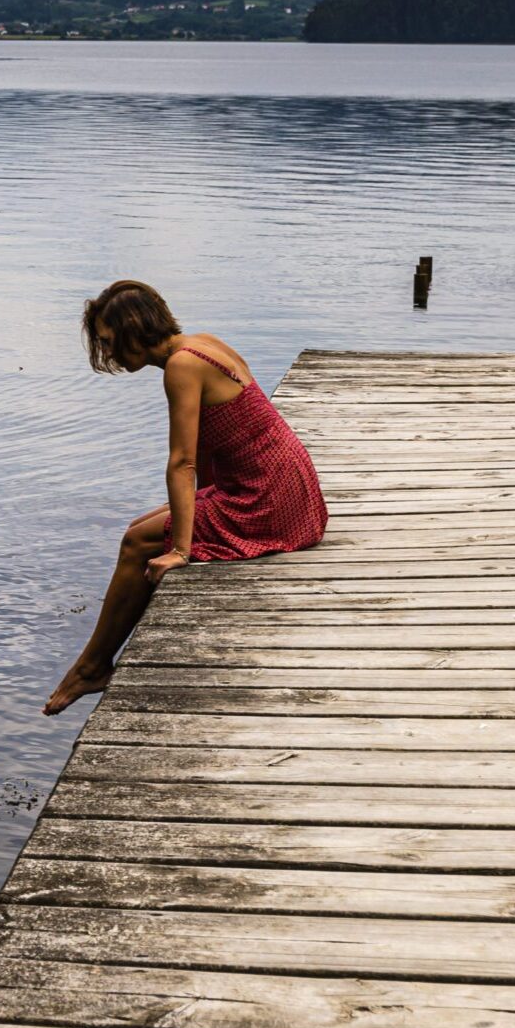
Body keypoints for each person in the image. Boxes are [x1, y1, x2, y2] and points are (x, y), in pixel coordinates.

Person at [45, 281, 329, 716]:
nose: (110, 353)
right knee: (142, 526)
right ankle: (94, 662)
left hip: (269, 500)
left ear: (133, 329)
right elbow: (220, 447)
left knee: (137, 543)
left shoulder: (182, 365)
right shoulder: (204, 343)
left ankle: (92, 666)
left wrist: (181, 549)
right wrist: (193, 515)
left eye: (108, 340)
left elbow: (183, 463)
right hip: (288, 485)